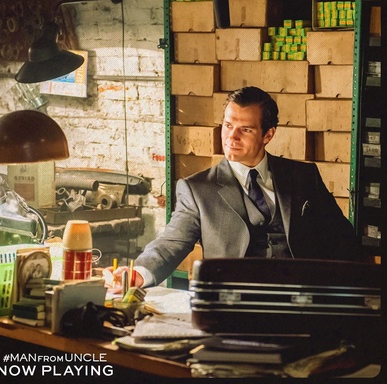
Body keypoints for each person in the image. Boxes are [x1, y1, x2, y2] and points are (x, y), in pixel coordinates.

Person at [106, 86, 358, 291]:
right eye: (228, 125)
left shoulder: (303, 177)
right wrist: (138, 273)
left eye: (245, 129)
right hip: (231, 302)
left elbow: (342, 239)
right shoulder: (197, 189)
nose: (231, 137)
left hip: (300, 302)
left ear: (268, 135)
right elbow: (172, 241)